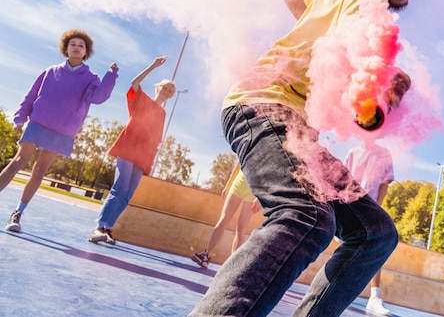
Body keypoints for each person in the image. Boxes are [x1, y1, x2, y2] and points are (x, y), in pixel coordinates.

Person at [188, 0, 435, 316]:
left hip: (294, 126)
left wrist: (314, 32)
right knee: (306, 216)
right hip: (263, 106)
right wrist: (370, 88)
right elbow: (365, 39)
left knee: (374, 234)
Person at [0, 29, 118, 233]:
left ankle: (17, 213)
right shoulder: (50, 71)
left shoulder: (91, 77)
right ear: (66, 48)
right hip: (37, 124)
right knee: (17, 162)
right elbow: (31, 95)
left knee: (39, 171)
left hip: (63, 132)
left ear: (85, 51)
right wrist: (20, 118)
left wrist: (111, 76)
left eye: (81, 45)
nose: (76, 47)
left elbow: (98, 98)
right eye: (73, 44)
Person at [88, 56, 175, 245]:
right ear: (158, 88)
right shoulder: (141, 99)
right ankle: (98, 227)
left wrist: (148, 165)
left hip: (143, 158)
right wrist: (153, 65)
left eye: (171, 90)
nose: (167, 91)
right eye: (165, 87)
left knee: (127, 196)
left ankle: (108, 228)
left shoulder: (162, 113)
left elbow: (155, 141)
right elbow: (134, 82)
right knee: (118, 189)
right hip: (127, 150)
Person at [344, 140, 395, 316]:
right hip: (350, 208)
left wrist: (377, 208)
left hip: (371, 209)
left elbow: (385, 183)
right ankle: (338, 290)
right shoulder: (352, 152)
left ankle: (374, 297)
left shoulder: (384, 153)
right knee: (347, 250)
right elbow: (343, 180)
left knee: (377, 247)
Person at [191, 163, 260, 268]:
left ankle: (231, 266)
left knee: (240, 228)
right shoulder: (249, 146)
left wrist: (259, 197)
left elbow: (270, 174)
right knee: (223, 220)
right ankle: (206, 256)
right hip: (237, 185)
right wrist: (227, 185)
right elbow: (238, 165)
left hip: (252, 191)